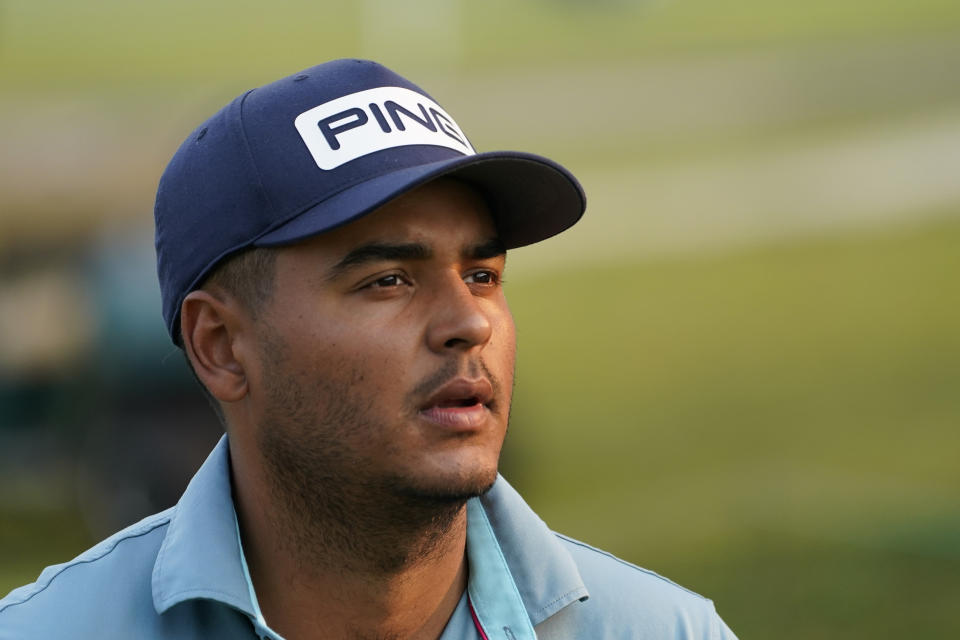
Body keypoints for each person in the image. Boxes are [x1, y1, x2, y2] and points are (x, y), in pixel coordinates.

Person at [0, 59, 737, 639]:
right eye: (388, 280)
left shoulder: (666, 631)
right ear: (221, 346)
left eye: (482, 274)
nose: (469, 322)